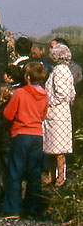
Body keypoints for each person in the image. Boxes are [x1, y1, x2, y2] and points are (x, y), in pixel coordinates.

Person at [1, 61, 48, 218]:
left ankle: (13, 208)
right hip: (37, 135)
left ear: (27, 77)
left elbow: (8, 114)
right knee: (34, 173)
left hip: (21, 135)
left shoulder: (20, 93)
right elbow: (43, 115)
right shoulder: (44, 95)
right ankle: (33, 208)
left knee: (15, 172)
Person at [43, 42, 76, 187]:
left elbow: (63, 94)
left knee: (58, 149)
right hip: (59, 114)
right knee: (53, 148)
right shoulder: (63, 70)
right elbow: (72, 93)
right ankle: (53, 175)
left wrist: (49, 102)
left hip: (57, 115)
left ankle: (60, 177)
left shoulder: (60, 71)